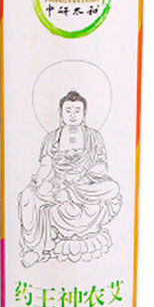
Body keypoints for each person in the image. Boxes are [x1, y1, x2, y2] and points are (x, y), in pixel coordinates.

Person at [18, 90, 121, 266]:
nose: (73, 115)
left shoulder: (93, 137)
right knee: (28, 195)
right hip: (58, 183)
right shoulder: (52, 138)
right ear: (61, 112)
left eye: (77, 110)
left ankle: (69, 194)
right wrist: (39, 179)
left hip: (84, 184)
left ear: (84, 113)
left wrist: (83, 176)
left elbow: (102, 166)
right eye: (68, 110)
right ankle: (35, 249)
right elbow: (46, 165)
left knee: (113, 188)